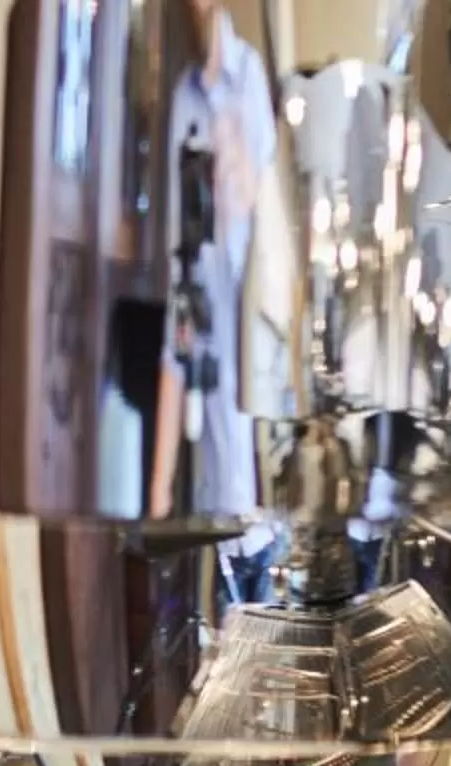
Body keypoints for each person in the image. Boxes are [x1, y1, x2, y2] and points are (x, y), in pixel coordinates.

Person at [148, 0, 277, 526]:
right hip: (218, 523)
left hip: (267, 527)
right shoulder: (183, 97)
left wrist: (239, 166)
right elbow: (172, 360)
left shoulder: (249, 76)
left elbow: (262, 193)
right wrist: (156, 501)